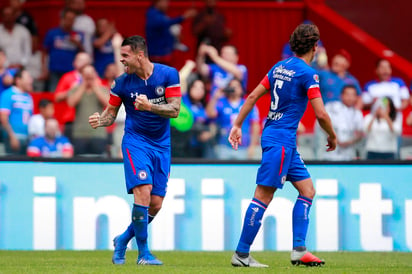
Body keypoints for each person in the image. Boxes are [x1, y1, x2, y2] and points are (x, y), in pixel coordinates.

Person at [228, 23, 336, 267]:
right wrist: (332, 136)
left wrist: (237, 125)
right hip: (281, 141)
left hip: (281, 139)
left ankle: (299, 250)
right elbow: (321, 115)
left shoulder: (279, 67)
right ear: (315, 47)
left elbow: (253, 96)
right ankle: (241, 254)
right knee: (263, 196)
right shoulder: (308, 74)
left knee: (308, 190)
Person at [88, 35, 181, 265]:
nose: (122, 61)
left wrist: (149, 106)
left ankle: (122, 239)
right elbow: (110, 114)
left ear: (140, 55)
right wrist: (101, 120)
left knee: (156, 203)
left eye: (125, 56)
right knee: (144, 191)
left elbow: (175, 110)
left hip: (161, 145)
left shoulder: (169, 74)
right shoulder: (121, 83)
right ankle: (143, 254)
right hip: (135, 142)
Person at [206, 78, 260, 159]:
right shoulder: (221, 102)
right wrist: (215, 97)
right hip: (224, 147)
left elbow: (255, 125)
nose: (234, 89)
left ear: (242, 89)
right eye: (231, 86)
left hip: (243, 147)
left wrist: (252, 146)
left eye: (236, 86)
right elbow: (210, 114)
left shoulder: (248, 104)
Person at [315, 84, 364, 160]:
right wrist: (334, 138)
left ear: (356, 97)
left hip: (349, 154)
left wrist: (349, 142)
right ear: (341, 96)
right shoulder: (331, 107)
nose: (350, 98)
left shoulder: (358, 114)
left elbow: (361, 133)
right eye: (347, 94)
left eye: (353, 95)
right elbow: (321, 123)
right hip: (329, 153)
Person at [68, 65, 108, 156]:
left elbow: (107, 103)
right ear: (82, 75)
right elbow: (71, 103)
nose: (89, 76)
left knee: (99, 162)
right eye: (86, 74)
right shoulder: (75, 89)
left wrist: (94, 85)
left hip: (98, 133)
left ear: (95, 74)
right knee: (79, 161)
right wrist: (83, 85)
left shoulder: (102, 89)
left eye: (91, 74)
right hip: (79, 134)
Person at [42, 8, 84, 92]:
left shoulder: (78, 35)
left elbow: (83, 54)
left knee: (71, 93)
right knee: (54, 93)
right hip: (54, 70)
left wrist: (77, 43)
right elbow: (44, 52)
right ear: (62, 19)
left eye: (72, 20)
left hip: (71, 71)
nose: (70, 22)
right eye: (68, 19)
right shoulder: (52, 33)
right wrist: (44, 69)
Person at [54, 52, 92, 140]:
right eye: (80, 60)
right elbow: (57, 97)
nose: (83, 63)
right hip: (71, 119)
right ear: (74, 62)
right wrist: (70, 91)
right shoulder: (67, 77)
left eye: (85, 60)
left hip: (88, 120)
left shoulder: (93, 77)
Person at [145, 0, 196, 65]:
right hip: (157, 56)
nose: (167, 4)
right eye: (165, 1)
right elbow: (166, 23)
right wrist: (184, 17)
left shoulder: (162, 14)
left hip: (165, 55)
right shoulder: (152, 14)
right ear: (157, 2)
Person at [0, 69, 34, 155]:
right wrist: (12, 136)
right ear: (18, 80)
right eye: (28, 78)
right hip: (12, 138)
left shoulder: (28, 97)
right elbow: (3, 118)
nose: (31, 80)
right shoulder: (8, 94)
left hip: (26, 139)